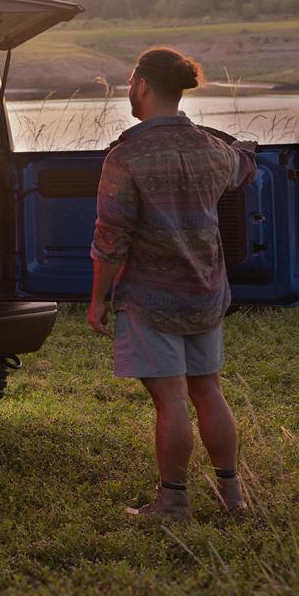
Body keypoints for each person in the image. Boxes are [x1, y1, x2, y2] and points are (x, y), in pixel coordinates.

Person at [88, 47, 258, 520]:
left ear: (141, 85)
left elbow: (111, 240)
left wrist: (98, 299)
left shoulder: (126, 157)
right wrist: (245, 150)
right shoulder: (211, 148)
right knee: (208, 390)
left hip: (150, 300)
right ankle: (234, 498)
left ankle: (173, 500)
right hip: (206, 294)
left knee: (170, 399)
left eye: (130, 83)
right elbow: (246, 168)